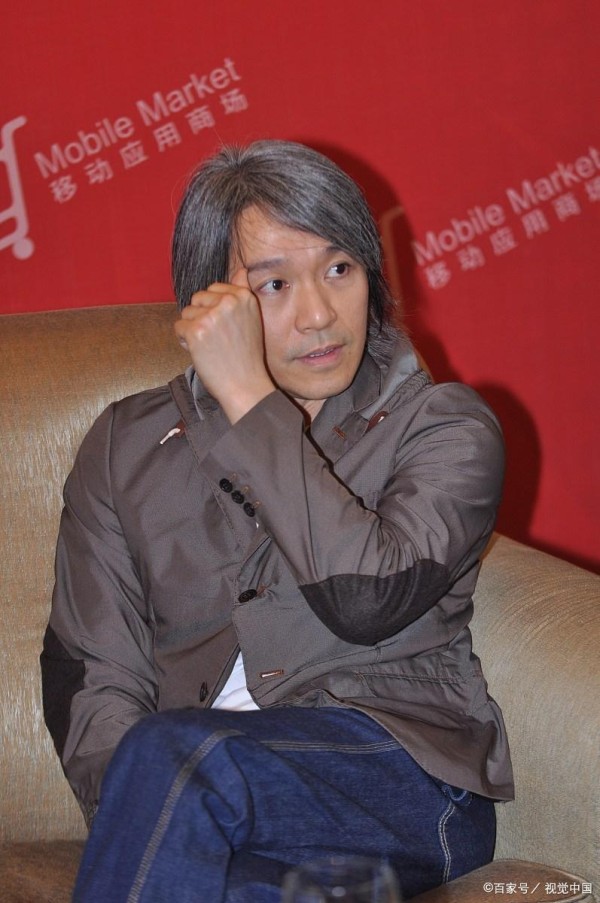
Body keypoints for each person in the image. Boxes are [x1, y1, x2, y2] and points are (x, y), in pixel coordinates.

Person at [41, 139, 513, 902]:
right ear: (207, 305)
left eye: (340, 269)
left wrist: (249, 400)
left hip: (402, 776)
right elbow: (93, 672)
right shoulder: (126, 445)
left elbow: (368, 598)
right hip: (199, 792)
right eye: (275, 285)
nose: (319, 314)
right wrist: (143, 822)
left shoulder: (443, 427)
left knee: (179, 757)